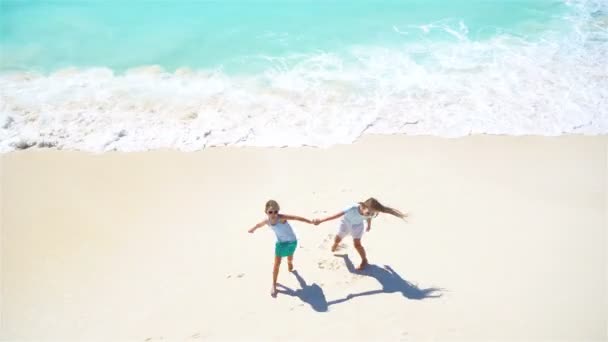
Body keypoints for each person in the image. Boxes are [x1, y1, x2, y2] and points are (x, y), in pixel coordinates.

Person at [313, 197, 407, 270]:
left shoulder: (369, 213)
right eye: (369, 211)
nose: (370, 214)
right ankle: (336, 245)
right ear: (363, 206)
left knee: (357, 245)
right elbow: (336, 215)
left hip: (357, 226)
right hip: (345, 223)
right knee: (338, 238)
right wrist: (321, 220)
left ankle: (364, 260)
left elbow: (368, 217)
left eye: (372, 212)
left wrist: (369, 225)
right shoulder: (352, 208)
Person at [248, 199, 313, 297]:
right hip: (280, 243)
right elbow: (259, 225)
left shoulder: (281, 218)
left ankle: (290, 262)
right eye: (270, 212)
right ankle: (274, 285)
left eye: (275, 211)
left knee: (290, 257)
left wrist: (310, 221)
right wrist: (253, 229)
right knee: (276, 264)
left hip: (292, 242)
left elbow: (296, 218)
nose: (273, 214)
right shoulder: (267, 221)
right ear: (266, 212)